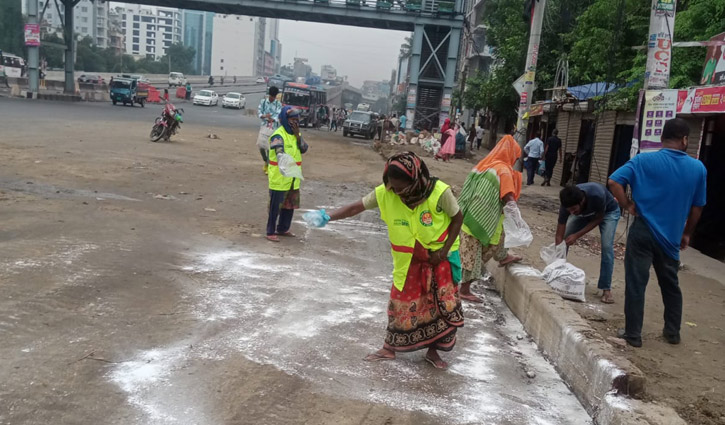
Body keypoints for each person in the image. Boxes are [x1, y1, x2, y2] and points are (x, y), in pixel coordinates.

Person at [313, 152, 464, 369]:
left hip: (439, 259)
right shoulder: (386, 193)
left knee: (441, 306)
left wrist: (445, 250)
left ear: (415, 179)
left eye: (402, 187)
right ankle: (389, 348)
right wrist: (328, 216)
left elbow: (458, 218)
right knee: (400, 302)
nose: (397, 192)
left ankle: (434, 352)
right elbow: (357, 207)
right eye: (393, 186)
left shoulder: (440, 193)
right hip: (409, 261)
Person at [608, 118, 707, 347]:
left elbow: (614, 182)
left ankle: (633, 335)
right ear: (684, 139)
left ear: (662, 138)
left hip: (642, 231)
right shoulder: (698, 168)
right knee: (670, 285)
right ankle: (672, 333)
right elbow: (697, 207)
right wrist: (687, 234)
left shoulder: (643, 160)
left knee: (636, 283)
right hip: (671, 236)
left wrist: (627, 205)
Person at [457, 135, 524, 302]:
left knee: (496, 239)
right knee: (474, 255)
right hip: (483, 217)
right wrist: (518, 219)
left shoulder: (486, 165)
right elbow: (508, 196)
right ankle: (464, 290)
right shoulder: (503, 170)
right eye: (515, 155)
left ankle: (503, 257)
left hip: (472, 214)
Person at [556, 184, 621, 304]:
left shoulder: (597, 195)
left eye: (574, 209)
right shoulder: (567, 204)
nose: (572, 212)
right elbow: (560, 232)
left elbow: (598, 218)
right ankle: (557, 276)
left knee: (607, 246)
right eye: (569, 210)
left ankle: (606, 289)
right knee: (564, 240)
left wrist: (577, 235)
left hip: (607, 213)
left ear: (582, 201)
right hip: (584, 215)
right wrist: (559, 249)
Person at [266, 106, 309, 242]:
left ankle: (283, 228)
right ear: (285, 119)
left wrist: (297, 135)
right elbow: (279, 152)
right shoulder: (278, 135)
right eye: (292, 119)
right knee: (275, 207)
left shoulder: (296, 134)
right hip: (280, 177)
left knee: (289, 206)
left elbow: (303, 149)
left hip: (293, 177)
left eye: (297, 119)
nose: (295, 122)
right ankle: (270, 231)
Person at [257, 86, 283, 174]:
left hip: (274, 128)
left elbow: (278, 114)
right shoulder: (263, 102)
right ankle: (265, 160)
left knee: (269, 148)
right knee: (261, 146)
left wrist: (273, 119)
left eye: (274, 97)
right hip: (264, 126)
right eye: (271, 96)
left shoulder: (278, 104)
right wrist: (264, 116)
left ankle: (268, 165)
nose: (272, 98)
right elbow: (259, 112)